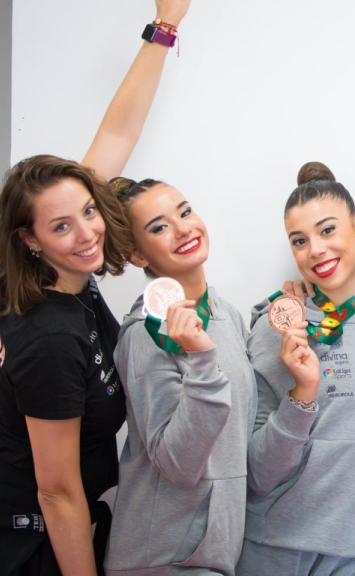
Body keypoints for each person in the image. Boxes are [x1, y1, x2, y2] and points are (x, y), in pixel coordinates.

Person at [0, 1, 189, 573]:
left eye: (88, 212)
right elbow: (57, 493)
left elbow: (118, 129)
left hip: (65, 518)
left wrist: (166, 26)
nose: (86, 234)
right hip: (27, 536)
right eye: (61, 227)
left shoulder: (63, 272)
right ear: (29, 239)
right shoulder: (47, 334)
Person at [237, 163, 355, 575]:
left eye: (328, 230)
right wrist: (301, 396)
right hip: (279, 549)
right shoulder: (279, 326)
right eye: (299, 240)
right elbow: (258, 473)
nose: (315, 250)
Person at [102, 174, 256, 575]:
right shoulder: (145, 333)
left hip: (213, 556)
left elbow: (238, 437)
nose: (184, 228)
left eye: (184, 212)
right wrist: (202, 360)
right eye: (159, 227)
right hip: (161, 559)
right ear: (137, 255)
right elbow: (178, 463)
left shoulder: (229, 316)